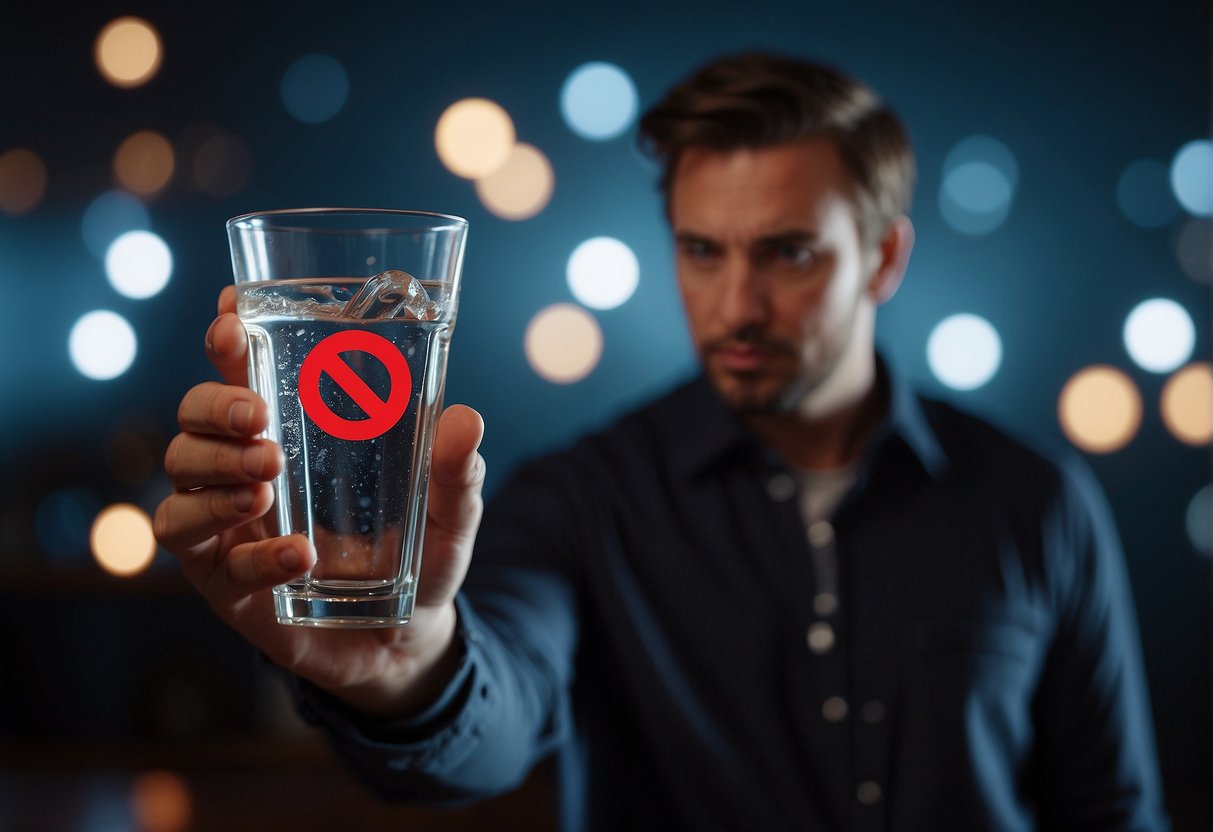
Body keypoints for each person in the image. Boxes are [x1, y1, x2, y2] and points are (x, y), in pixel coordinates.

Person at [154, 52, 1169, 830]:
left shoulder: (1033, 500)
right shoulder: (583, 499)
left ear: (885, 255)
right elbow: (490, 726)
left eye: (787, 253)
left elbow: (1112, 811)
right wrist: (398, 665)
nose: (736, 304)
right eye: (700, 249)